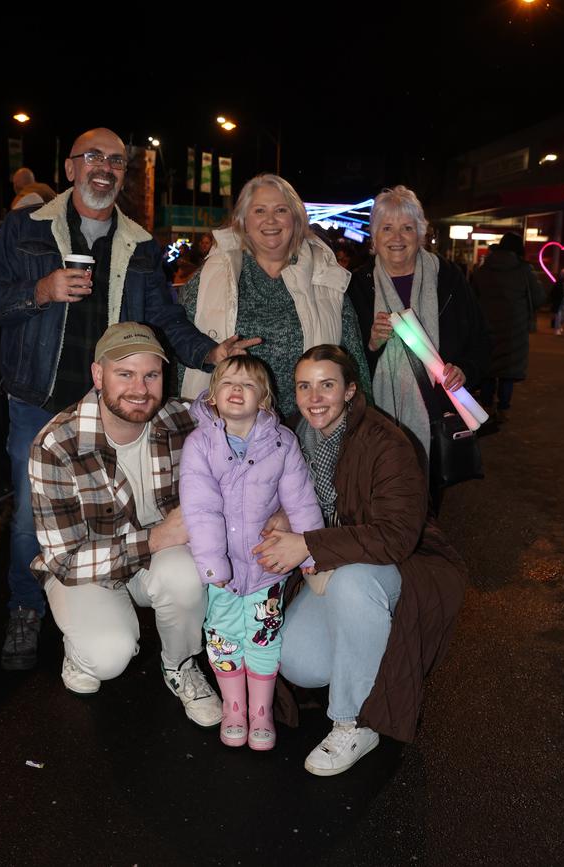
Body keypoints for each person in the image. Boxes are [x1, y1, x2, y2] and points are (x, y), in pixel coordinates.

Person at [0, 127, 259, 673]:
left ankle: (109, 591)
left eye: (117, 161)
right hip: (38, 398)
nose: (105, 167)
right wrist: (41, 291)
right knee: (32, 520)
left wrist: (209, 354)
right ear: (71, 167)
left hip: (110, 399)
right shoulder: (23, 228)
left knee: (115, 501)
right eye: (94, 157)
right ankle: (26, 607)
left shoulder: (140, 243)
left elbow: (165, 320)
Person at [253, 345, 466, 777]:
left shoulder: (386, 443)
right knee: (298, 662)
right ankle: (365, 647)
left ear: (350, 391)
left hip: (403, 564)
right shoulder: (294, 433)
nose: (315, 397)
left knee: (354, 585)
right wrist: (277, 516)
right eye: (304, 386)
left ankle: (355, 721)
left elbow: (396, 536)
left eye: (327, 385)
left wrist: (307, 544)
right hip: (334, 563)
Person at [28, 321, 222, 726]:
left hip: (159, 557)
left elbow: (249, 435)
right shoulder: (56, 444)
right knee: (108, 658)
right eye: (125, 374)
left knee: (186, 574)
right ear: (98, 375)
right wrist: (156, 538)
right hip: (88, 568)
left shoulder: (182, 419)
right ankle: (83, 645)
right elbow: (63, 560)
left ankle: (180, 665)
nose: (140, 388)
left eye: (151, 375)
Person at [179, 356, 323, 750]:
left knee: (263, 635)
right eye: (227, 382)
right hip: (222, 568)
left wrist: (311, 555)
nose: (237, 389)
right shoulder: (200, 444)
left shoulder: (282, 443)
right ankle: (234, 705)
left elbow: (301, 502)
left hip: (266, 566)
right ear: (212, 396)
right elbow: (200, 508)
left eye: (248, 384)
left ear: (264, 399)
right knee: (224, 636)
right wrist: (212, 564)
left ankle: (260, 711)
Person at [179, 173, 372, 420]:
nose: (270, 220)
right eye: (259, 210)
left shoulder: (326, 278)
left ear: (296, 219)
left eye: (281, 210)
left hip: (307, 430)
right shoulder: (210, 276)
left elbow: (353, 361)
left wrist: (365, 422)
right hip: (226, 434)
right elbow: (181, 344)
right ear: (243, 221)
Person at [347, 186, 488, 488]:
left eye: (407, 228)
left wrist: (465, 369)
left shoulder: (448, 279)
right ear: (374, 236)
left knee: (429, 500)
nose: (397, 238)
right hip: (380, 420)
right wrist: (371, 344)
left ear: (420, 234)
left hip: (438, 415)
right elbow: (345, 358)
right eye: (387, 228)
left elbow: (480, 340)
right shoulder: (358, 286)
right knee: (386, 497)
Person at [472, 231, 546, 423]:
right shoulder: (524, 271)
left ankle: (486, 407)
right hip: (514, 329)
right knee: (507, 371)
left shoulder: (483, 270)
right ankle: (504, 408)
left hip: (486, 327)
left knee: (489, 368)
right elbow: (538, 298)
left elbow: (471, 298)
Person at [551, 268, 564, 335]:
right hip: (559, 303)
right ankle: (557, 329)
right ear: (563, 275)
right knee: (558, 317)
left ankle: (559, 326)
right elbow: (553, 293)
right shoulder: (558, 283)